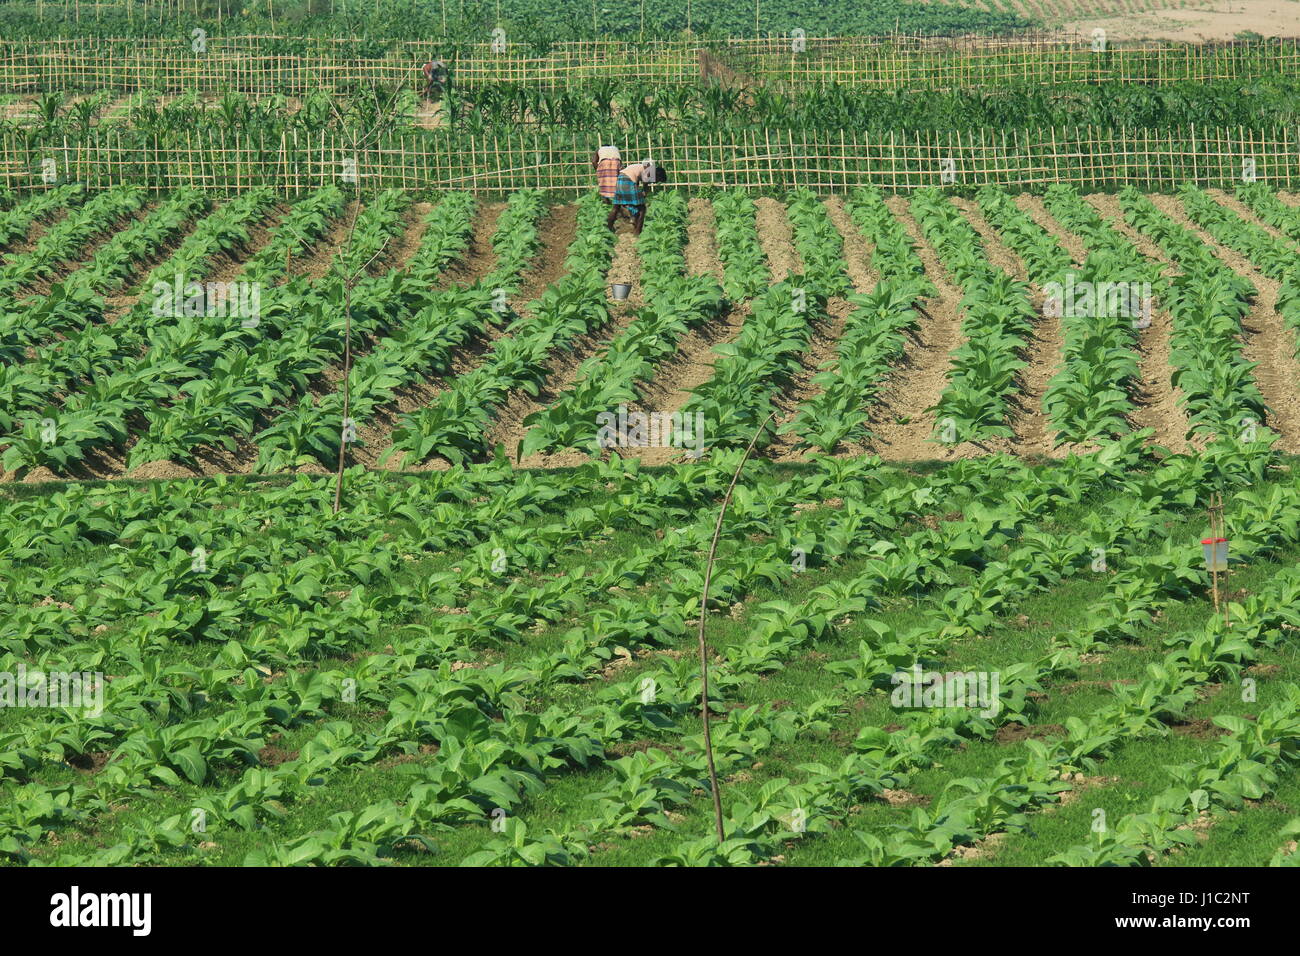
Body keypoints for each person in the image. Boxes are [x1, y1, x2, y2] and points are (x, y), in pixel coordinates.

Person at [607, 157, 656, 236]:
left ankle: (608, 229)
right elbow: (645, 186)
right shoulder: (647, 169)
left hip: (619, 180)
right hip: (628, 182)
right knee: (642, 209)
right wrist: (644, 194)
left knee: (616, 207)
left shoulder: (637, 166)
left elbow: (635, 182)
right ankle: (637, 232)